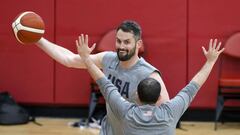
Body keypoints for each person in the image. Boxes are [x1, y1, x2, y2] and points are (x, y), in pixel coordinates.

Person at [36, 20, 170, 134]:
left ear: (138, 44)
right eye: (118, 41)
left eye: (127, 42)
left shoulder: (149, 75)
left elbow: (166, 117)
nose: (121, 46)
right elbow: (69, 60)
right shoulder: (108, 59)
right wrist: (38, 39)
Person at [76, 37, 224, 135]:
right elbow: (194, 85)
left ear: (137, 97)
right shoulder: (170, 112)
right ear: (160, 97)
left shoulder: (126, 112)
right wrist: (210, 61)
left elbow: (104, 83)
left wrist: (86, 59)